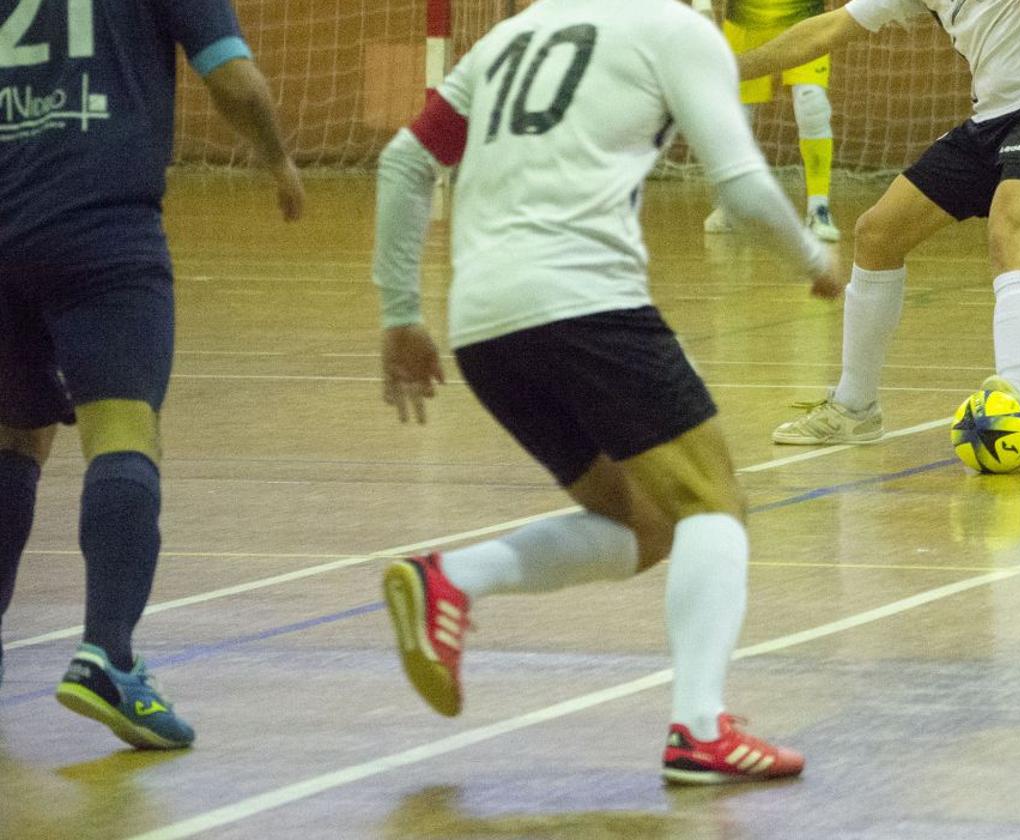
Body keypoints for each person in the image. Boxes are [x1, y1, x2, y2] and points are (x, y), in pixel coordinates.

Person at [372, 0, 836, 784]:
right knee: (712, 503)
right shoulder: (678, 31)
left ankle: (452, 579)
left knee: (646, 522)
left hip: (483, 323)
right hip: (587, 302)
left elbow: (404, 162)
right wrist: (814, 260)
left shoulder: (509, 37)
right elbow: (742, 186)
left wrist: (399, 314)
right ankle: (699, 728)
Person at [0, 0, 303, 749]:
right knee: (122, 428)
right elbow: (235, 81)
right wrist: (279, 160)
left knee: (14, 436)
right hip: (102, 230)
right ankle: (108, 655)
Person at [737, 0, 1020, 447]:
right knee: (877, 234)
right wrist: (732, 67)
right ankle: (855, 408)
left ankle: (1010, 415)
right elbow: (827, 30)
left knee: (1009, 228)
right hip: (989, 119)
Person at [696, 0, 842, 242]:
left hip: (803, 14)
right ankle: (732, 205)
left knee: (812, 103)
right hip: (746, 18)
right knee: (736, 113)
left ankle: (819, 208)